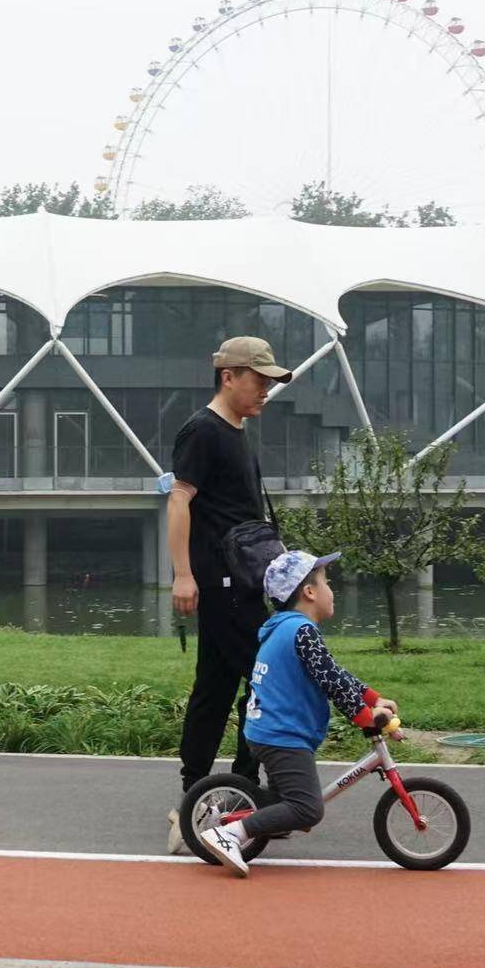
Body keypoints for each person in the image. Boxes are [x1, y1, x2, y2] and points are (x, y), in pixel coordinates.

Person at [165, 336, 294, 854]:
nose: (266, 390)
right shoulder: (203, 431)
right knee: (270, 681)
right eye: (259, 380)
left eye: (269, 382)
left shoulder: (236, 432)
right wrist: (183, 575)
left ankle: (197, 798)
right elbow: (179, 501)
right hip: (220, 583)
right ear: (229, 376)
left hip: (242, 581)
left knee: (215, 689)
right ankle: (242, 793)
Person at [196, 550, 399, 877]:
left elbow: (333, 672)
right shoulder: (301, 632)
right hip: (282, 736)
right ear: (309, 592)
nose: (332, 590)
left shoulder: (286, 628)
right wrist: (367, 717)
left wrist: (373, 698)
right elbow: (332, 683)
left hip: (268, 730)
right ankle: (231, 833)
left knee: (277, 798)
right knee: (307, 808)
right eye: (327, 582)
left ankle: (216, 814)